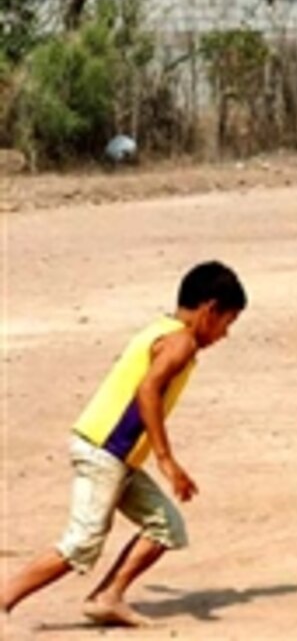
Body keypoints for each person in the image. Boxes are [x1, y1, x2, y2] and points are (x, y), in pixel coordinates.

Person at [2, 261, 246, 627]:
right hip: (104, 451)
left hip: (119, 459)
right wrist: (166, 459)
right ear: (210, 310)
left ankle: (107, 597)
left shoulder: (163, 328)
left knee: (165, 526)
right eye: (228, 322)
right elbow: (147, 390)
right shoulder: (180, 341)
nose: (225, 334)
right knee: (81, 544)